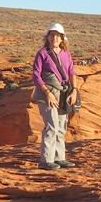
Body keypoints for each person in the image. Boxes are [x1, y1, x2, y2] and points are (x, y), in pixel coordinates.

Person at [32, 23, 79, 170]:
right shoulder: (42, 53)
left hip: (63, 94)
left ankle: (59, 158)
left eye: (58, 35)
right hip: (47, 95)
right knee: (52, 126)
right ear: (48, 37)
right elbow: (35, 75)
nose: (55, 38)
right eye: (52, 35)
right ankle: (46, 160)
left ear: (62, 38)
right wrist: (47, 93)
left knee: (61, 126)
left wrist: (74, 90)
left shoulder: (66, 53)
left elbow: (72, 72)